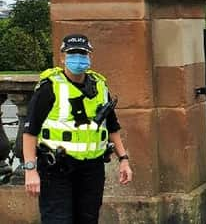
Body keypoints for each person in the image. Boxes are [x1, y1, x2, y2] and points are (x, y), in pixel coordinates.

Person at [22, 34, 133, 224]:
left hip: (91, 168)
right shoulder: (50, 88)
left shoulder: (100, 86)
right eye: (73, 53)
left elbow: (112, 126)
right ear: (63, 56)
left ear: (90, 57)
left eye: (83, 54)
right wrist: (30, 170)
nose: (78, 58)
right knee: (58, 220)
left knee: (88, 219)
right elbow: (30, 131)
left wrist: (123, 159)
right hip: (56, 168)